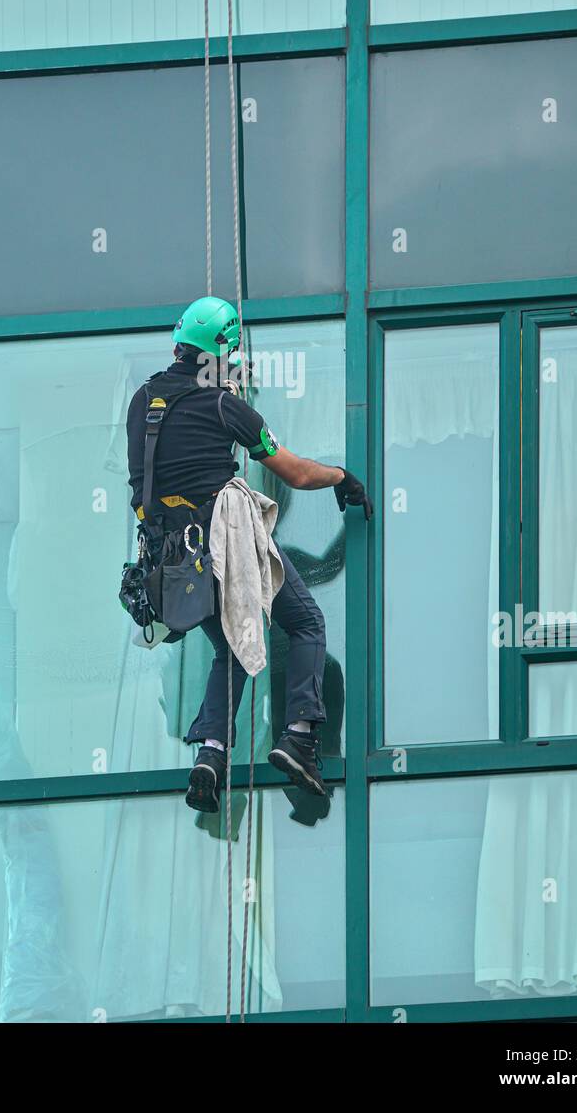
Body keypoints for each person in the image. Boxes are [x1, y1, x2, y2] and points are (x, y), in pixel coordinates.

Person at [126, 296, 373, 814]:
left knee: (230, 650)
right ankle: (300, 736)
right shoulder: (223, 405)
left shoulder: (142, 402)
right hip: (224, 539)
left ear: (178, 345)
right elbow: (296, 473)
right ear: (222, 351)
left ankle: (210, 755)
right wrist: (342, 477)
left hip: (175, 558)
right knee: (305, 622)